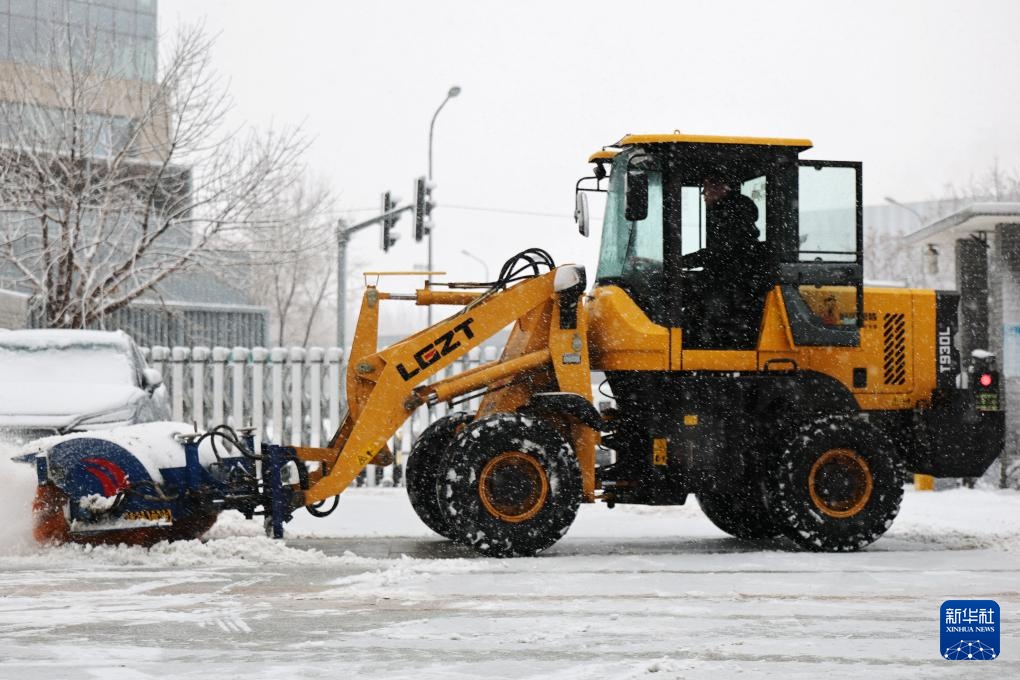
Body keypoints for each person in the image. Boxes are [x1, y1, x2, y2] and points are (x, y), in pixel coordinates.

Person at [682, 177, 777, 347]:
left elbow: (722, 252)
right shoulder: (726, 212)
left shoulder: (731, 212)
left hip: (735, 285)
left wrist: (678, 262)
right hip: (733, 280)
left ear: (722, 188)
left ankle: (706, 345)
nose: (703, 193)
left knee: (696, 304)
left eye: (707, 187)